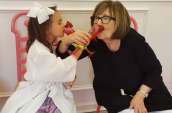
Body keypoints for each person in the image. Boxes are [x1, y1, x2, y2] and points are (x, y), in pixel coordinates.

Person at [56, 0, 172, 113]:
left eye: (105, 18)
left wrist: (140, 95)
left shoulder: (134, 40)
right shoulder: (93, 42)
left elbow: (155, 69)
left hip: (143, 88)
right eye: (96, 18)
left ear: (119, 22)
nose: (98, 23)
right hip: (111, 92)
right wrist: (66, 41)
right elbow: (63, 57)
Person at [1, 2, 91, 113]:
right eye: (59, 23)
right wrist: (79, 49)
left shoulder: (46, 44)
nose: (63, 25)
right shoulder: (39, 51)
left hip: (48, 88)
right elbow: (60, 68)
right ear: (47, 29)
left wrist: (66, 41)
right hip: (39, 92)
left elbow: (57, 54)